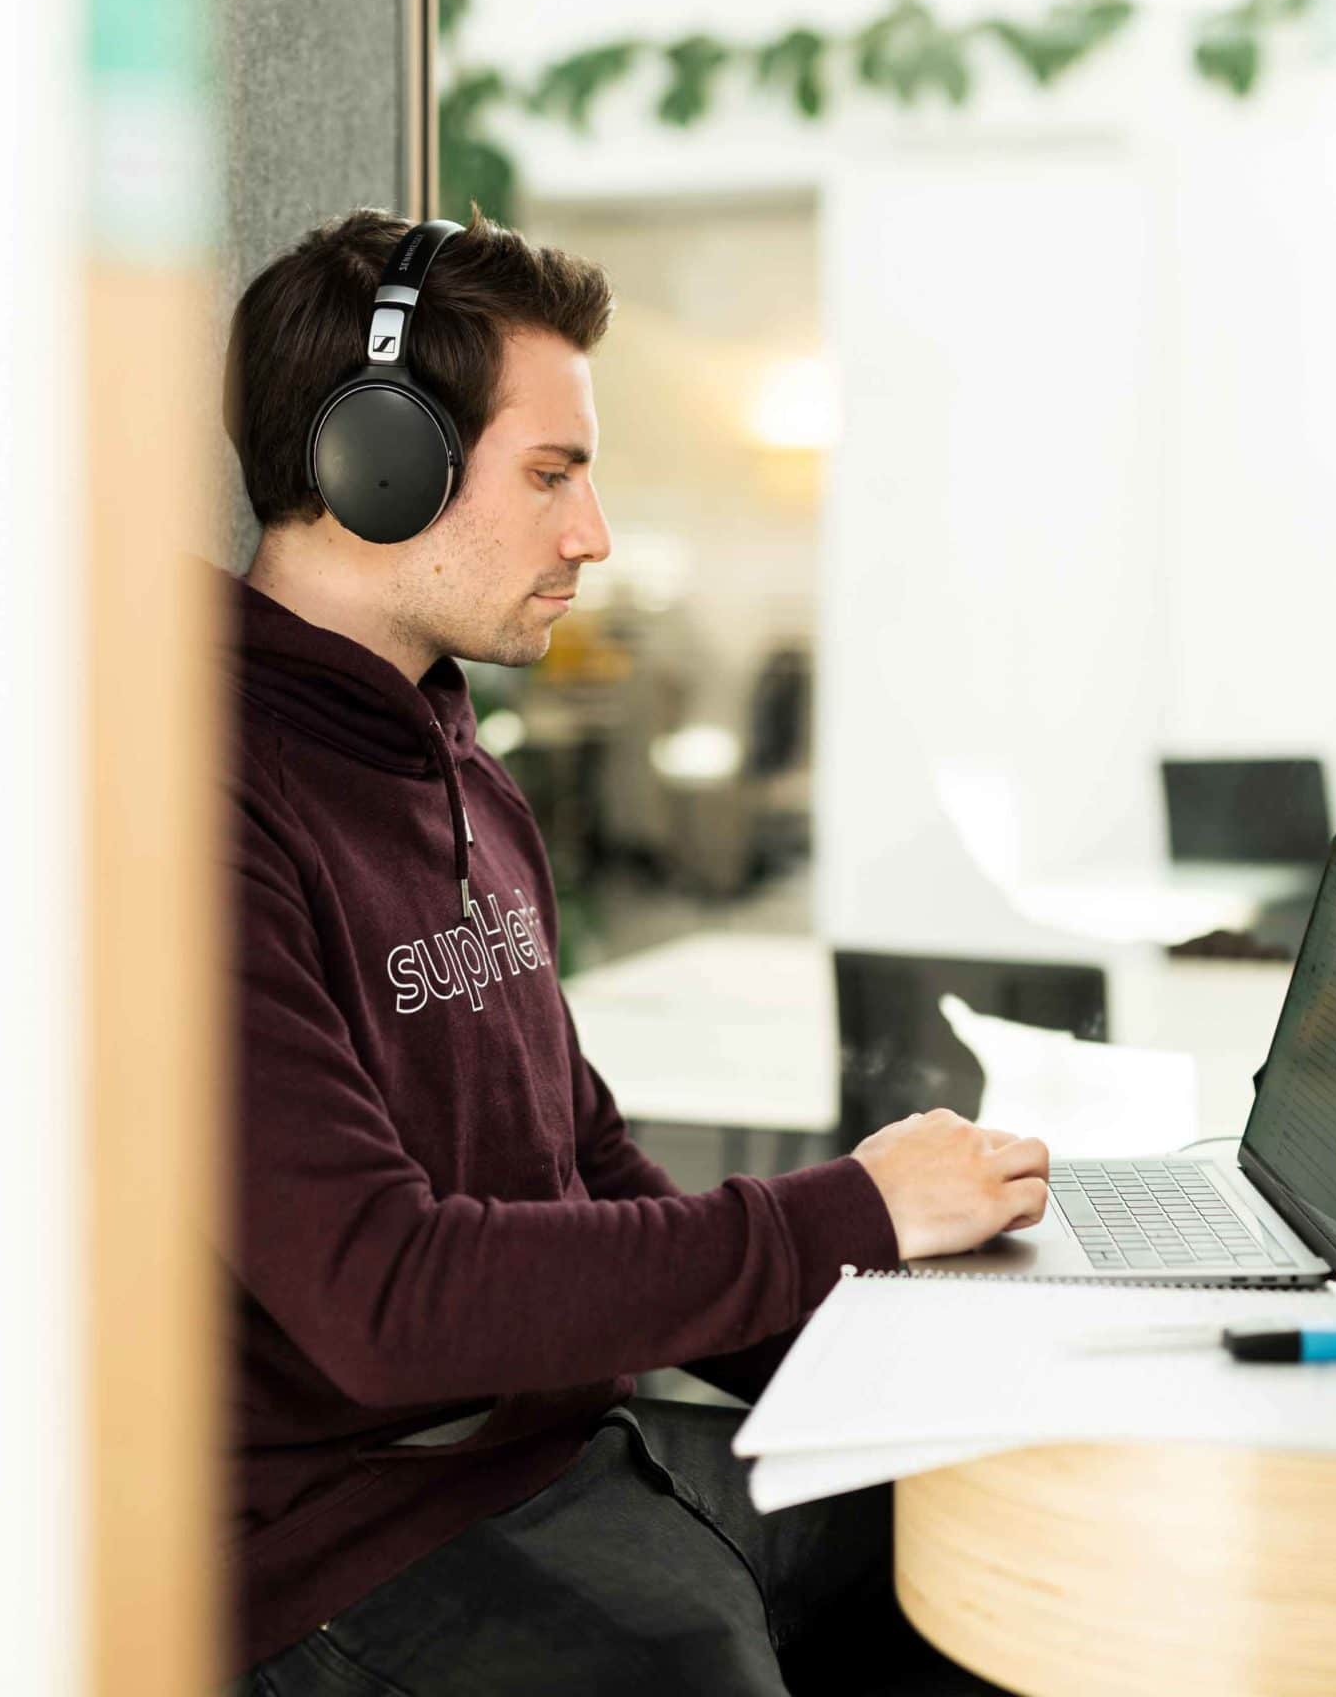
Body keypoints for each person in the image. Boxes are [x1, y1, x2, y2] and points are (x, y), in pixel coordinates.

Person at [217, 207, 1050, 1697]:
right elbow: (385, 1299)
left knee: (1009, 1520)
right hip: (349, 1545)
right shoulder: (187, 813)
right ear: (374, 467)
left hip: (572, 1453)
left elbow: (585, 1165)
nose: (589, 535)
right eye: (551, 477)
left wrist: (893, 1374)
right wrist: (844, 1211)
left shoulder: (453, 759)